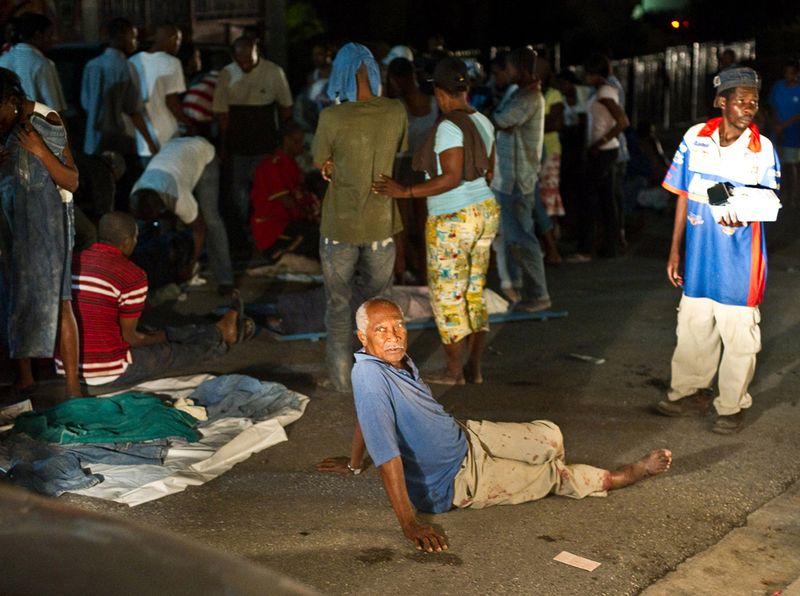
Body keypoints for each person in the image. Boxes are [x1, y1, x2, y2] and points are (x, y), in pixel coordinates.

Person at [317, 298, 673, 552]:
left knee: (552, 437)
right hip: (456, 479)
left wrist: (352, 464)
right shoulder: (369, 376)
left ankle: (549, 464)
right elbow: (388, 456)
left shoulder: (394, 358)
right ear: (363, 338)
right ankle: (621, 476)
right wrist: (410, 524)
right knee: (553, 477)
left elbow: (367, 416)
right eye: (381, 330)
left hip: (469, 436)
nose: (394, 335)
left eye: (398, 325)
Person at [656, 67, 780, 435]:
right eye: (741, 100)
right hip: (699, 255)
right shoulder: (696, 138)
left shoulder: (762, 149)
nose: (749, 108)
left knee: (739, 333)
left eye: (754, 101)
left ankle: (730, 405)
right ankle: (690, 390)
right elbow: (683, 195)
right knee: (694, 325)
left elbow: (769, 202)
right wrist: (675, 249)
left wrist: (743, 214)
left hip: (741, 259)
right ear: (721, 102)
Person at [373, 56, 498, 385]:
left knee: (447, 297)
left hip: (453, 217)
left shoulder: (449, 126)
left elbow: (451, 177)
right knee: (474, 292)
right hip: (485, 211)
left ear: (441, 93)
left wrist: (406, 191)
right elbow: (490, 170)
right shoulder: (483, 121)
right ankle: (474, 367)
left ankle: (454, 371)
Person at [311, 42, 408, 392]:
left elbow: (318, 159)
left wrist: (332, 162)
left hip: (339, 226)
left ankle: (342, 385)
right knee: (383, 307)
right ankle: (388, 382)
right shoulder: (395, 111)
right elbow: (398, 151)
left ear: (339, 74)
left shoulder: (331, 117)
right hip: (381, 223)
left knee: (338, 308)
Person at [65, 211, 253, 389]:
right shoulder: (131, 274)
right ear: (129, 241)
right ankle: (218, 338)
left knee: (154, 332)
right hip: (107, 372)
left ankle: (218, 330)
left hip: (66, 367)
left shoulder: (72, 261)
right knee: (169, 351)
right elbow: (131, 339)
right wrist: (160, 337)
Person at [0, 67, 80, 398]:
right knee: (15, 299)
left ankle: (73, 387)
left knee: (60, 302)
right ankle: (26, 377)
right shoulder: (6, 126)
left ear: (11, 100)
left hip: (52, 225)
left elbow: (71, 180)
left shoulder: (47, 120)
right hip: (15, 222)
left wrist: (41, 152)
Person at [213, 36, 293, 245]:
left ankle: (265, 231)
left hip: (266, 142)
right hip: (238, 144)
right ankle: (242, 234)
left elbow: (285, 109)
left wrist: (283, 142)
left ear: (258, 52)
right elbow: (222, 115)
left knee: (265, 190)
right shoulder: (227, 74)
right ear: (233, 57)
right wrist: (223, 147)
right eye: (240, 60)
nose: (245, 64)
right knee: (238, 191)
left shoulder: (273, 72)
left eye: (249, 59)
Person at [129, 136, 234, 294]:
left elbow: (200, 229)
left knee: (211, 218)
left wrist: (190, 264)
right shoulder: (136, 194)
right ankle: (168, 275)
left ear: (161, 208)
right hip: (173, 151)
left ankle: (225, 278)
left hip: (202, 154)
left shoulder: (178, 197)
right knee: (162, 231)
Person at [490, 47, 551, 312]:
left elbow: (500, 122)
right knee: (517, 238)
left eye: (510, 68)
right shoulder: (520, 94)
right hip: (511, 179)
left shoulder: (528, 98)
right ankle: (528, 292)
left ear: (521, 69)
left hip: (517, 180)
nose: (507, 73)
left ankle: (538, 294)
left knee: (523, 239)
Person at [570, 53, 629, 262]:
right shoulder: (604, 91)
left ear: (594, 73)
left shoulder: (605, 92)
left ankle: (586, 248)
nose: (584, 77)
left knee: (590, 198)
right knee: (606, 199)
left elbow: (622, 121)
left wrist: (599, 142)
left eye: (587, 73)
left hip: (603, 151)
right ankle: (608, 247)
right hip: (605, 150)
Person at [385, 56, 437, 283]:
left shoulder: (397, 107)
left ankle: (401, 273)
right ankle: (426, 274)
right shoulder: (434, 103)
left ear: (395, 79)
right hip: (427, 165)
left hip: (403, 165)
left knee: (400, 226)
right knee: (424, 223)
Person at [80, 18, 157, 158]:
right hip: (121, 139)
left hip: (94, 139)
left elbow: (85, 103)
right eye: (133, 37)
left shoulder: (92, 65)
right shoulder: (127, 67)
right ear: (121, 36)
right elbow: (134, 110)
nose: (136, 42)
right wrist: (150, 142)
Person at [249, 121, 320, 260]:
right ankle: (281, 254)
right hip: (274, 228)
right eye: (297, 141)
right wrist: (309, 215)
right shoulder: (272, 165)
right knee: (317, 236)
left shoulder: (292, 165)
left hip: (291, 222)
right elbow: (288, 202)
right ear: (287, 140)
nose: (301, 146)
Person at [129, 23, 193, 166]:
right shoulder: (172, 62)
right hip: (167, 136)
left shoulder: (133, 61)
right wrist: (190, 125)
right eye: (178, 40)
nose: (178, 45)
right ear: (171, 38)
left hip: (144, 139)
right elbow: (173, 103)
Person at [0, 12, 65, 113]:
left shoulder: (3, 59)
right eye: (49, 35)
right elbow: (54, 108)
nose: (52, 40)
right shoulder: (43, 64)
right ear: (38, 35)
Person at [768, 59, 800, 206]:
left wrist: (784, 125)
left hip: (794, 131)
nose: (788, 76)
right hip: (777, 129)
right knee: (777, 163)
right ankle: (778, 194)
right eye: (786, 73)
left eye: (791, 73)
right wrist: (776, 123)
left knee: (792, 164)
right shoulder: (778, 86)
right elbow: (773, 105)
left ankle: (793, 196)